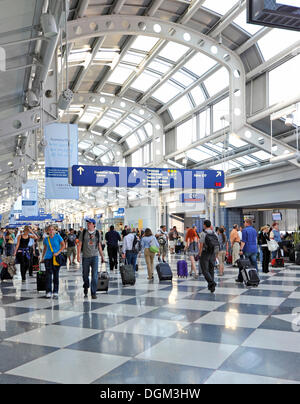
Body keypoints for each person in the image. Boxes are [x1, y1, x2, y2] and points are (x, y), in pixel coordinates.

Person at [77, 219, 105, 299]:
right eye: (87, 223)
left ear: (93, 224)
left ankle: (93, 292)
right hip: (85, 256)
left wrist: (102, 256)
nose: (88, 224)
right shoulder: (84, 232)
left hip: (95, 256)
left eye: (89, 223)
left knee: (95, 275)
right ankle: (86, 286)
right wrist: (78, 256)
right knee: (85, 275)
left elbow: (99, 245)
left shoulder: (97, 233)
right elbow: (79, 244)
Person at [41, 225, 65, 298]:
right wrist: (42, 258)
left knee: (56, 275)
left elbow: (63, 245)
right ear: (47, 231)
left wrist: (58, 252)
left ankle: (55, 291)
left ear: (55, 230)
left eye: (52, 229)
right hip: (48, 258)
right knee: (48, 276)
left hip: (56, 258)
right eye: (50, 230)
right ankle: (48, 291)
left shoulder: (58, 237)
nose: (51, 231)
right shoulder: (46, 239)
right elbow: (45, 249)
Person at [199, 220, 219, 293]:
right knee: (211, 270)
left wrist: (200, 253)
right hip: (213, 253)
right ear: (210, 225)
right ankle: (211, 287)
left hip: (205, 253)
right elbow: (217, 244)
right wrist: (216, 254)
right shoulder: (215, 233)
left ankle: (212, 283)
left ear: (204, 225)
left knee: (204, 270)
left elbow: (201, 245)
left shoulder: (203, 234)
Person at [236, 219, 258, 283]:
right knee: (254, 264)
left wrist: (241, 249)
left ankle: (241, 278)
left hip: (247, 249)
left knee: (244, 265)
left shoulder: (244, 230)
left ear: (247, 223)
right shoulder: (254, 230)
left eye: (245, 222)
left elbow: (243, 241)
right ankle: (255, 277)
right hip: (254, 249)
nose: (244, 224)